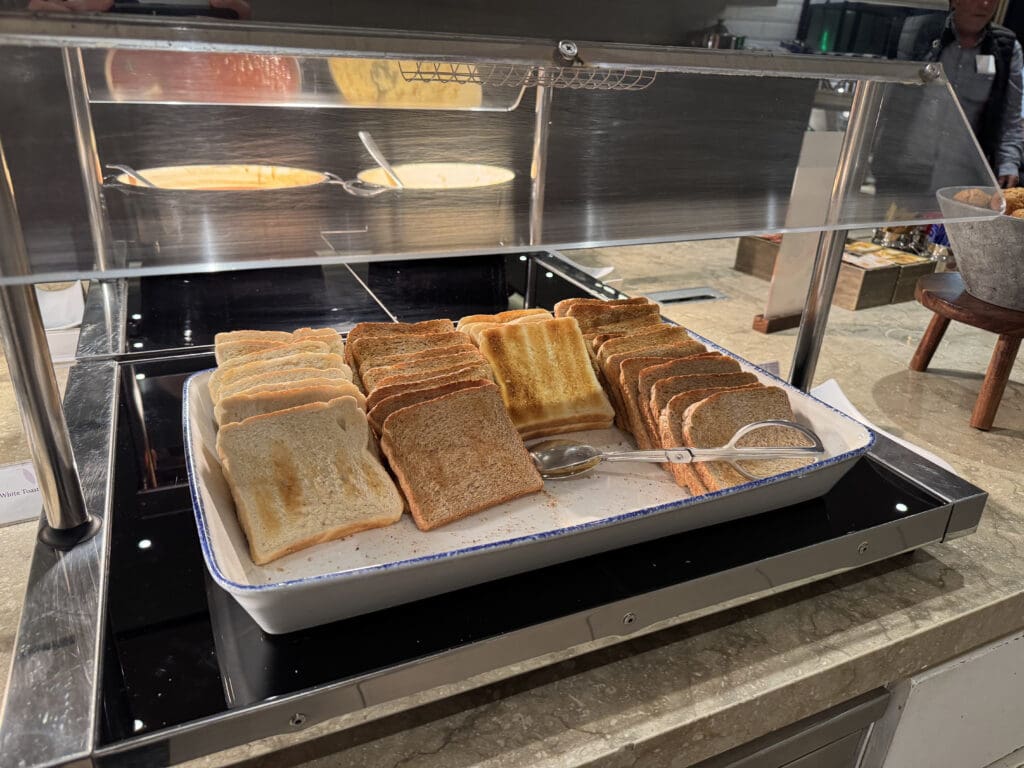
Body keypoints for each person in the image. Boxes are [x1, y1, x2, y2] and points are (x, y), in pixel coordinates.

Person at [901, 0, 1023, 188]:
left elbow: (1011, 119)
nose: (985, 5)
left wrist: (1008, 164)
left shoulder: (1006, 49)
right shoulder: (919, 32)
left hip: (963, 179)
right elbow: (891, 95)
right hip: (906, 168)